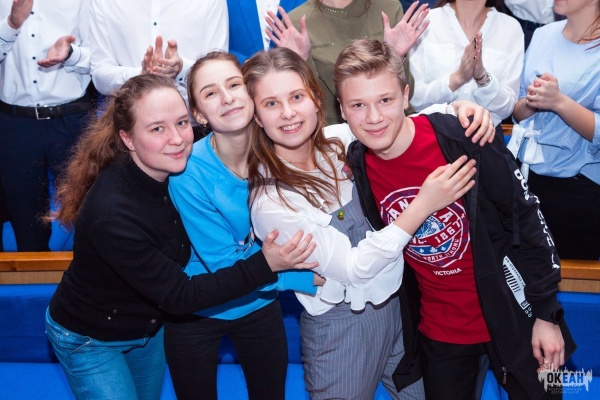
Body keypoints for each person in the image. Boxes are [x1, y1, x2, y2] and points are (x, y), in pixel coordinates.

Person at [45, 74, 318, 400]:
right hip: (91, 337)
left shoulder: (173, 156)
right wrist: (267, 264)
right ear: (127, 139)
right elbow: (181, 296)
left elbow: (237, 127)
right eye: (156, 129)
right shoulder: (113, 214)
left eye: (181, 122)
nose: (177, 139)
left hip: (148, 327)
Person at [339, 39, 575, 400]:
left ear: (405, 96)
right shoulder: (358, 162)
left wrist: (548, 315)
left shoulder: (463, 135)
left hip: (519, 315)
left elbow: (527, 217)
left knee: (550, 394)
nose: (373, 117)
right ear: (342, 109)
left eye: (385, 100)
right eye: (358, 105)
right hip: (442, 332)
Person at [242, 47, 483, 399]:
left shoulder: (340, 141)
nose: (288, 112)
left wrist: (457, 109)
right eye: (271, 103)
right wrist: (422, 205)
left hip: (399, 312)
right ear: (257, 117)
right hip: (340, 331)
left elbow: (394, 121)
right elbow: (354, 269)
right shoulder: (271, 201)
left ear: (316, 99)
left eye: (296, 97)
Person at [165, 51, 318, 400]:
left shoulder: (281, 150)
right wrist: (305, 278)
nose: (227, 97)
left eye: (234, 85)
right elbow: (222, 263)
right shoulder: (187, 173)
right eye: (210, 92)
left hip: (259, 301)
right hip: (198, 307)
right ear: (198, 114)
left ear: (251, 93)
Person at [508, 0, 600, 261]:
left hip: (578, 189)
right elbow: (517, 111)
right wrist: (532, 101)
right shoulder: (543, 34)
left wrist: (559, 102)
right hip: (524, 179)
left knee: (568, 278)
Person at [0, 0, 94, 251]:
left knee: (92, 212)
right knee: (25, 221)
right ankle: (32, 276)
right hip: (15, 124)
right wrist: (11, 25)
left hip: (73, 119)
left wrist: (72, 54)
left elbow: (101, 57)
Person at [267, 0, 430, 124]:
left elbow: (407, 94)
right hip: (335, 136)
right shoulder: (297, 22)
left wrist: (397, 57)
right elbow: (308, 105)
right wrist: (302, 61)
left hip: (394, 126)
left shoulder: (388, 7)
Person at [408, 0, 523, 127]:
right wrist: (457, 78)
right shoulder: (427, 21)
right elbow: (412, 99)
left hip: (486, 135)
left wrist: (483, 78)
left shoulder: (510, 28)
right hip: (430, 131)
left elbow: (507, 108)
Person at [89, 0, 228, 99]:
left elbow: (219, 70)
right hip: (131, 123)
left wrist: (182, 68)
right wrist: (140, 75)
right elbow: (99, 75)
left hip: (196, 122)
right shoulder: (104, 3)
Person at [227, 0, 306, 63]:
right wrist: (245, 62)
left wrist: (299, 61)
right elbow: (220, 43)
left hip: (296, 72)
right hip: (240, 74)